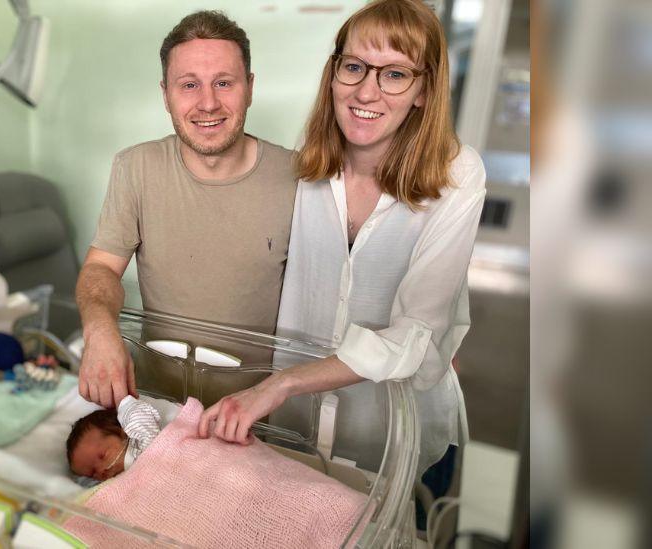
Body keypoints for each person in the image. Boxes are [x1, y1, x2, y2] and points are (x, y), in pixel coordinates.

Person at [198, 0, 487, 473]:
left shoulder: (457, 174)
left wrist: (282, 383)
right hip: (296, 429)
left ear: (423, 90)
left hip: (393, 433)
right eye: (354, 68)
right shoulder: (308, 166)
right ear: (334, 73)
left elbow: (416, 330)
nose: (366, 93)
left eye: (394, 74)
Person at [76, 11, 298, 408]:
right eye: (189, 85)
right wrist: (98, 328)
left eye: (224, 83)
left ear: (249, 88)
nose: (208, 103)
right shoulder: (136, 167)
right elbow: (101, 269)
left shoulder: (298, 176)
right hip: (159, 400)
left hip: (261, 412)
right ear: (166, 94)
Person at [67, 396, 162, 481]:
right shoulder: (115, 484)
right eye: (93, 473)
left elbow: (140, 415)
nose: (101, 471)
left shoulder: (141, 443)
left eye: (103, 456)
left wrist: (124, 402)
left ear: (121, 433)